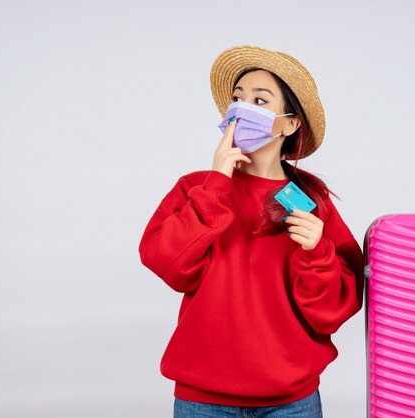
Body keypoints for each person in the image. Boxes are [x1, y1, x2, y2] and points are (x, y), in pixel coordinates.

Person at [138, 45, 364, 418]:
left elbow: (331, 312)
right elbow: (168, 264)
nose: (242, 110)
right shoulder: (196, 188)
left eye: (260, 101)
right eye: (237, 99)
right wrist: (216, 183)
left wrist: (316, 251)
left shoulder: (312, 204)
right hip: (203, 400)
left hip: (291, 402)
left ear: (290, 123)